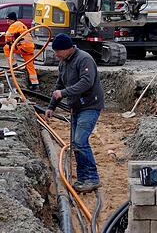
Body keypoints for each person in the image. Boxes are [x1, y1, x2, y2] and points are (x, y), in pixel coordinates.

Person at [45, 33, 103, 193]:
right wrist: (51, 106)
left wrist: (64, 93)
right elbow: (60, 84)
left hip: (90, 105)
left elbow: (86, 82)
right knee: (77, 143)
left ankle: (92, 178)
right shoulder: (64, 62)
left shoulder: (84, 59)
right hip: (76, 106)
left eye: (58, 51)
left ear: (67, 49)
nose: (56, 55)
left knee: (80, 141)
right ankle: (83, 177)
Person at [2, 12, 39, 88]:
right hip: (29, 48)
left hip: (23, 47)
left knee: (6, 47)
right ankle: (35, 84)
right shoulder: (20, 24)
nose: (7, 22)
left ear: (12, 20)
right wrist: (4, 34)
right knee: (30, 66)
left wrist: (8, 42)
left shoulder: (14, 25)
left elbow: (8, 36)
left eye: (8, 20)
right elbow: (17, 35)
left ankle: (13, 65)